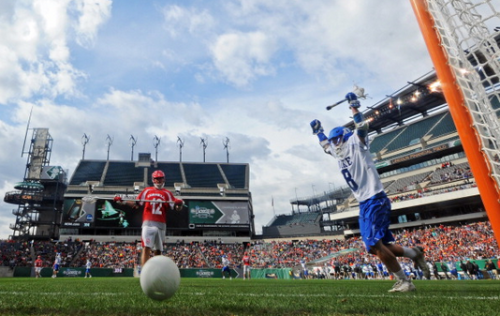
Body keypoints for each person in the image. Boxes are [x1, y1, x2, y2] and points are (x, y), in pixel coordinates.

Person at [310, 91, 431, 292]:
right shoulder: (337, 151)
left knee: (374, 246)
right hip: (366, 202)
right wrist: (318, 131)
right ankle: (414, 253)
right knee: (379, 246)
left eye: (336, 140)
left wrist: (354, 107)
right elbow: (324, 144)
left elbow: (362, 127)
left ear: (343, 138)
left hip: (373, 198)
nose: (334, 144)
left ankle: (405, 282)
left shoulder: (356, 144)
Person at [114, 170, 183, 266]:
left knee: (158, 251)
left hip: (161, 224)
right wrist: (122, 201)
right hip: (148, 222)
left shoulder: (167, 193)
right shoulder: (147, 191)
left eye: (160, 178)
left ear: (164, 179)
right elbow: (136, 204)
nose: (158, 181)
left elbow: (177, 208)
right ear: (153, 180)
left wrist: (180, 204)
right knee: (146, 247)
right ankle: (144, 272)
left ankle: (156, 272)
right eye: (156, 179)